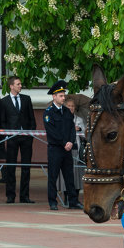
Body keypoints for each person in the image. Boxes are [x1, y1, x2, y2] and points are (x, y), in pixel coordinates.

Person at [44, 80, 83, 211]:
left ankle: (73, 201)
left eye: (63, 95)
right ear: (54, 96)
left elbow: (72, 129)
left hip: (67, 149)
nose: (63, 97)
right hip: (55, 148)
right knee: (53, 176)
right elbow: (51, 132)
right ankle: (52, 202)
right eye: (60, 95)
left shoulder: (67, 111)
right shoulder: (48, 112)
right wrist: (64, 142)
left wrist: (71, 141)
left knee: (69, 176)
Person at [0, 75, 37, 204]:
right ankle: (10, 195)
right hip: (12, 138)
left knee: (26, 166)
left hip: (26, 137)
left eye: (20, 84)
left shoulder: (26, 99)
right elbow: (2, 121)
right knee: (11, 167)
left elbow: (32, 118)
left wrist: (31, 134)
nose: (20, 86)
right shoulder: (4, 101)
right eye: (18, 84)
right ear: (11, 86)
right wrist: (8, 135)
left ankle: (24, 196)